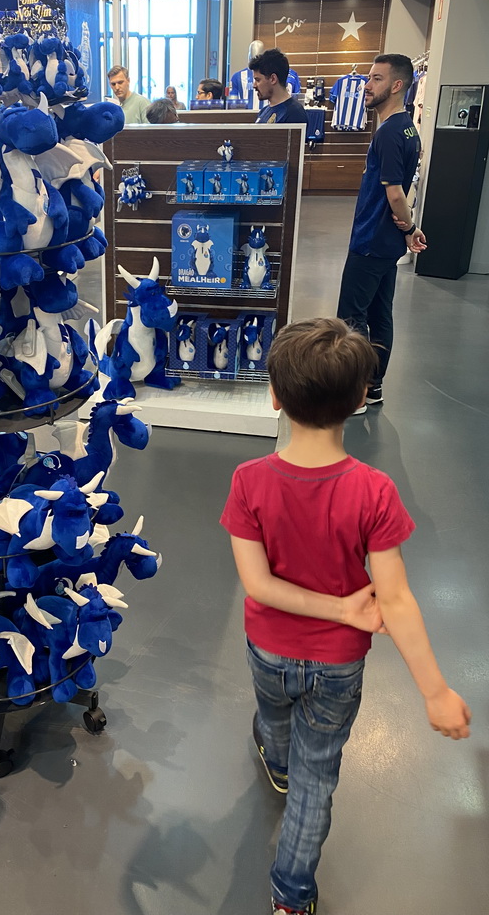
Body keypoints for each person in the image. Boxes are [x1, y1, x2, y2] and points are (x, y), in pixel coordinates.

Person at [220, 317, 471, 915]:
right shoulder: (374, 491)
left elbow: (256, 583)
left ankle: (273, 761)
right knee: (318, 777)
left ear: (274, 396)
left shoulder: (248, 482)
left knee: (272, 717)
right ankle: (291, 898)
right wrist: (434, 692)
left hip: (268, 649)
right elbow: (398, 599)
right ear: (361, 400)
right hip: (338, 665)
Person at [336, 53, 427, 411]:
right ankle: (373, 387)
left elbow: (395, 194)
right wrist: (407, 232)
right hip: (386, 243)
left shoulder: (390, 132)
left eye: (375, 79)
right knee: (379, 314)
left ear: (397, 85)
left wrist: (410, 226)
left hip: (371, 240)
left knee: (351, 317)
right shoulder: (408, 129)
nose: (366, 85)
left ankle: (355, 392)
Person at [251, 49, 308, 125]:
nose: (254, 85)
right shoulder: (263, 112)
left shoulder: (294, 114)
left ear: (273, 79)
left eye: (258, 80)